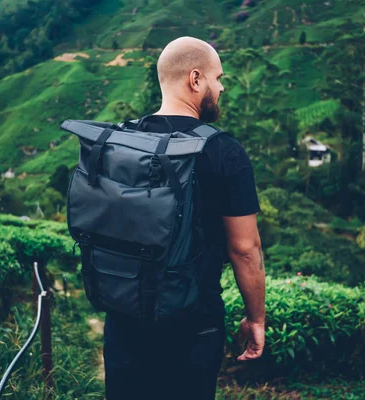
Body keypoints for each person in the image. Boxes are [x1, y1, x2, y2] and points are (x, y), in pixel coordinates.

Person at [102, 36, 266, 400]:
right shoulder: (224, 151)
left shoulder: (120, 141)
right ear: (195, 79)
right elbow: (244, 248)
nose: (221, 87)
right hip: (194, 328)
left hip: (123, 319)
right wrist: (256, 319)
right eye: (217, 77)